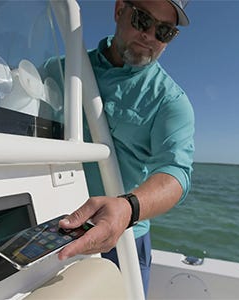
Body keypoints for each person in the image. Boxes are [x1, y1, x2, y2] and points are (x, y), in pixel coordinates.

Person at [56, 0, 195, 297]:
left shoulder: (171, 102)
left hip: (125, 239)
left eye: (165, 31)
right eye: (143, 19)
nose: (150, 35)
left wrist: (126, 208)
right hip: (55, 225)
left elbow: (176, 174)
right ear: (120, 10)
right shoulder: (62, 69)